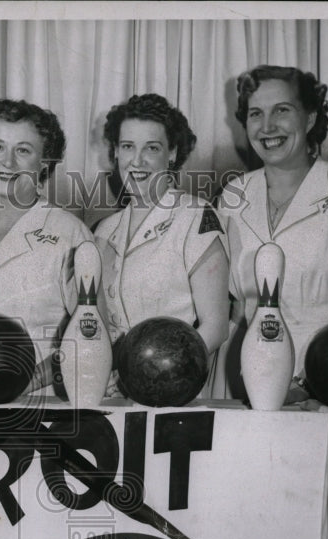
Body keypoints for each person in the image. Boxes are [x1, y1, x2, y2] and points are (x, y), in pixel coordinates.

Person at [217, 65, 328, 401]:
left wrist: (306, 383)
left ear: (309, 118)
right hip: (244, 377)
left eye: (282, 110)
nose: (267, 127)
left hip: (326, 380)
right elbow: (231, 303)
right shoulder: (232, 195)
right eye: (255, 114)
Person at [0, 98, 93, 393]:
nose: (7, 162)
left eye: (23, 151)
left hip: (40, 401)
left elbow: (91, 335)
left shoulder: (69, 233)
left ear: (45, 163)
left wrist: (27, 383)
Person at [93, 93, 229, 369]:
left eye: (152, 148)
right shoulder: (104, 231)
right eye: (128, 146)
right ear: (116, 151)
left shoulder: (195, 216)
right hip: (110, 387)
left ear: (173, 153)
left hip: (173, 387)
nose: (137, 160)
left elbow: (215, 327)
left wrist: (152, 376)